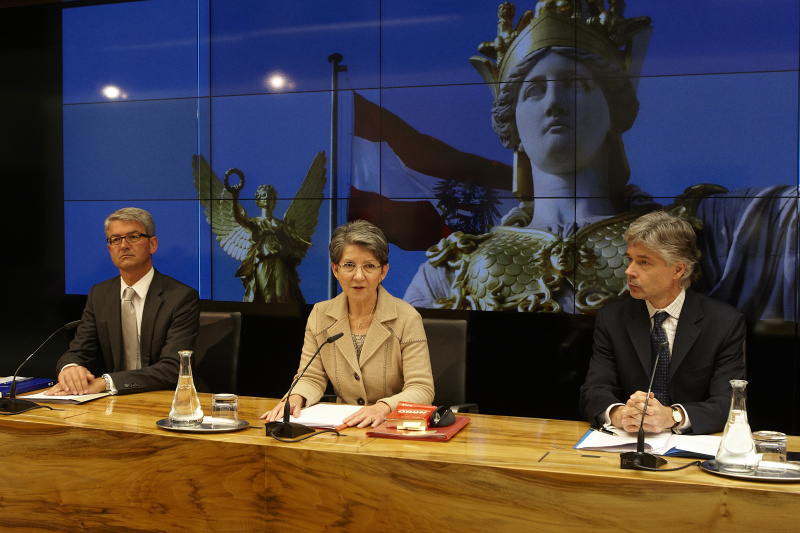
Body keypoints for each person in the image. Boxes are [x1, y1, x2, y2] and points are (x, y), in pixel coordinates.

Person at [404, 1, 796, 322]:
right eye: (535, 90)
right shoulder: (452, 267)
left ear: (613, 109)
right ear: (512, 122)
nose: (555, 103)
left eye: (576, 85)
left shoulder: (702, 236)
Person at [578, 211, 746, 435]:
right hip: (627, 442)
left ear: (678, 269)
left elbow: (729, 403)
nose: (629, 271)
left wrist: (672, 417)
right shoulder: (612, 318)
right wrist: (620, 414)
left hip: (691, 449)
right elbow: (594, 390)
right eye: (630, 259)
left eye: (644, 262)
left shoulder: (724, 323)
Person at [261, 220, 435, 428]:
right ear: (335, 269)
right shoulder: (320, 314)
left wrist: (383, 407)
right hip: (342, 427)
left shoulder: (407, 318)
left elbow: (422, 388)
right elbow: (310, 377)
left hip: (390, 427)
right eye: (349, 265)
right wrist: (296, 397)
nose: (358, 276)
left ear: (383, 271)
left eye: (369, 266)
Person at [47, 207, 200, 396]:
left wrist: (106, 382)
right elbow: (79, 351)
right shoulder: (100, 294)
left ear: (152, 244)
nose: (124, 245)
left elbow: (174, 368)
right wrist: (70, 368)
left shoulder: (180, 297)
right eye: (115, 240)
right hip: (112, 402)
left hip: (167, 399)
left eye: (133, 237)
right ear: (109, 248)